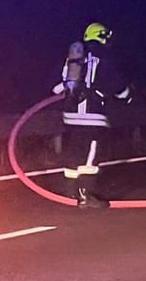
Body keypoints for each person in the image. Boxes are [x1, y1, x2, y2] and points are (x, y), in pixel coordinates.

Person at [51, 22, 132, 208]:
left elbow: (55, 86)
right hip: (93, 115)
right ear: (102, 36)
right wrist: (129, 96)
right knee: (91, 156)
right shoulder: (103, 58)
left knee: (75, 151)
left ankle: (70, 192)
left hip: (71, 115)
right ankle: (87, 195)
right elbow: (117, 86)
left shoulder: (72, 59)